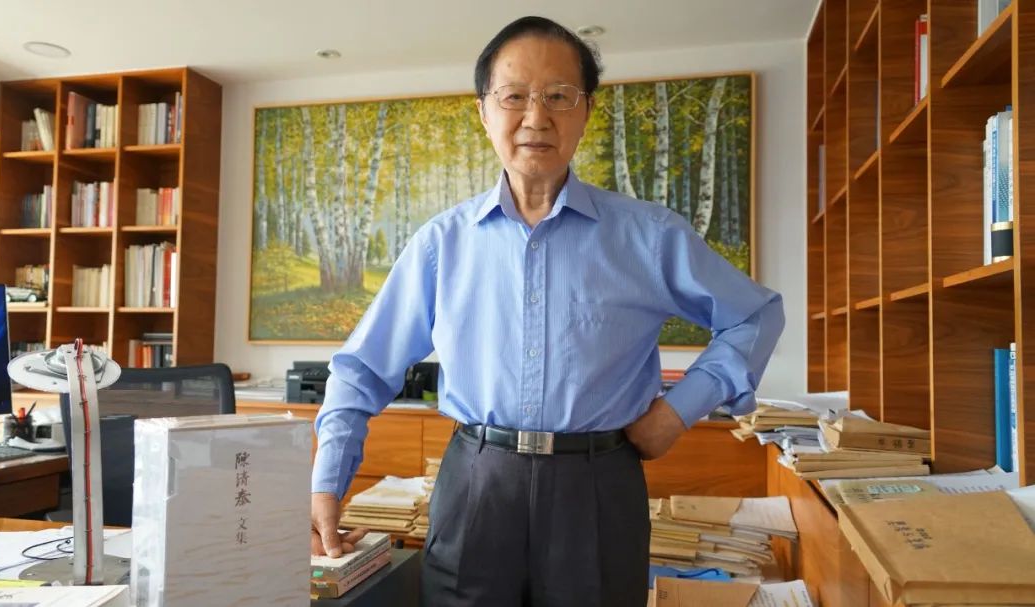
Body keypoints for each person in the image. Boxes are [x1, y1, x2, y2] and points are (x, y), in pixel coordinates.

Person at [309, 15, 784, 607]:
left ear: (587, 111)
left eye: (559, 96)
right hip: (476, 483)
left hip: (599, 485)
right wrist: (327, 485)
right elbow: (360, 369)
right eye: (514, 96)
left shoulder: (649, 236)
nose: (536, 117)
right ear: (484, 112)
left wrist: (675, 413)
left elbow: (756, 315)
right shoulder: (441, 243)